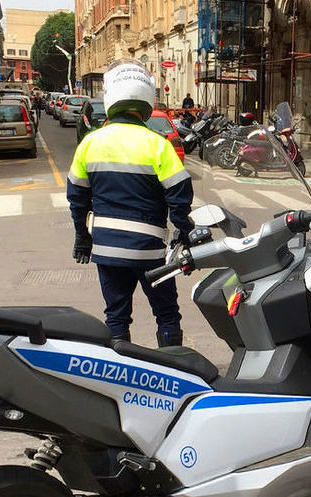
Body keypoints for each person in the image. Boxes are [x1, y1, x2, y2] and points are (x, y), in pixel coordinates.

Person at [67, 59, 194, 347]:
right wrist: (185, 230)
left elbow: (76, 198)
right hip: (150, 250)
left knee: (116, 317)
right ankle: (173, 369)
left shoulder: (90, 143)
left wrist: (81, 238)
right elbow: (180, 194)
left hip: (107, 248)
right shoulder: (158, 144)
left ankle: (122, 373)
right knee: (167, 314)